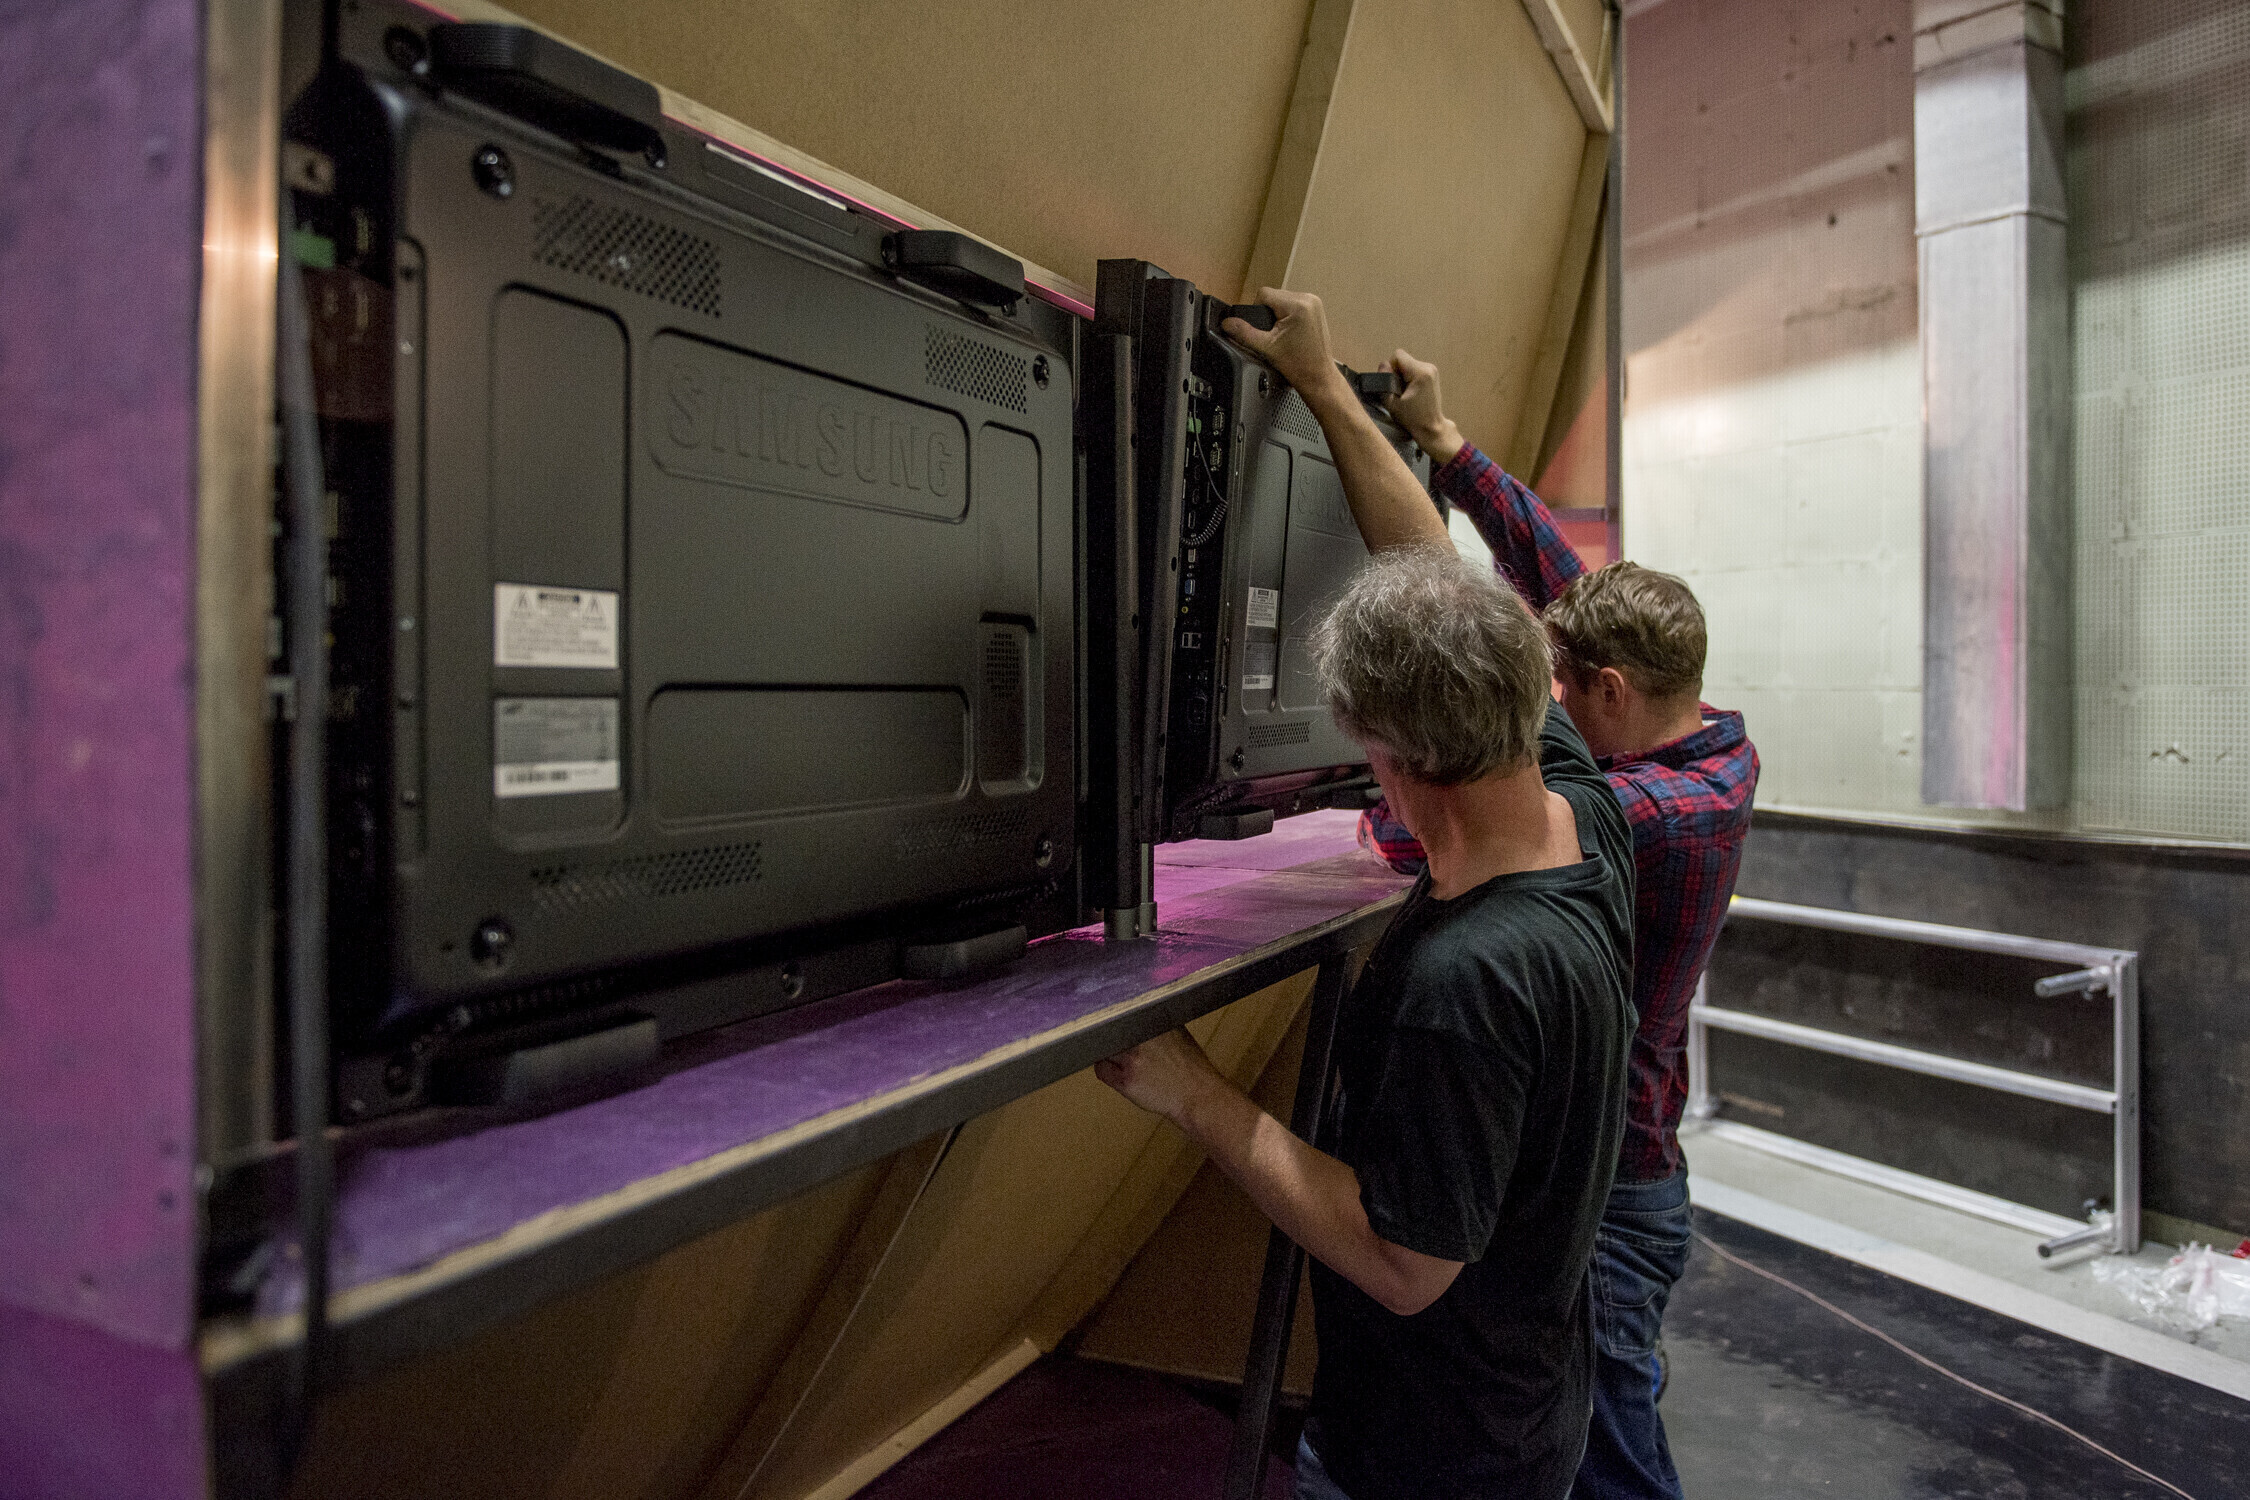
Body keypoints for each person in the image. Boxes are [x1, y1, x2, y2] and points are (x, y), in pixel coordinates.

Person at [1097, 289, 1637, 1500]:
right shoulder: (1576, 813)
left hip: (1436, 1463)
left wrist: (1195, 1094)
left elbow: (1406, 1263)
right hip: (1523, 1419)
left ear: (1390, 760)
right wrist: (1327, 389)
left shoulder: (1468, 980)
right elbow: (1436, 575)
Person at [1361, 349, 1761, 1500]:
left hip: (1615, 1191)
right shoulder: (1706, 739)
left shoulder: (1650, 816)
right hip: (1619, 1170)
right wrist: (1448, 448)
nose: (1549, 701)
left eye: (1564, 688)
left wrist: (1394, 806)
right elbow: (1558, 582)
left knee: (1612, 1471)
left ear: (1612, 693)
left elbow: (1457, 829)